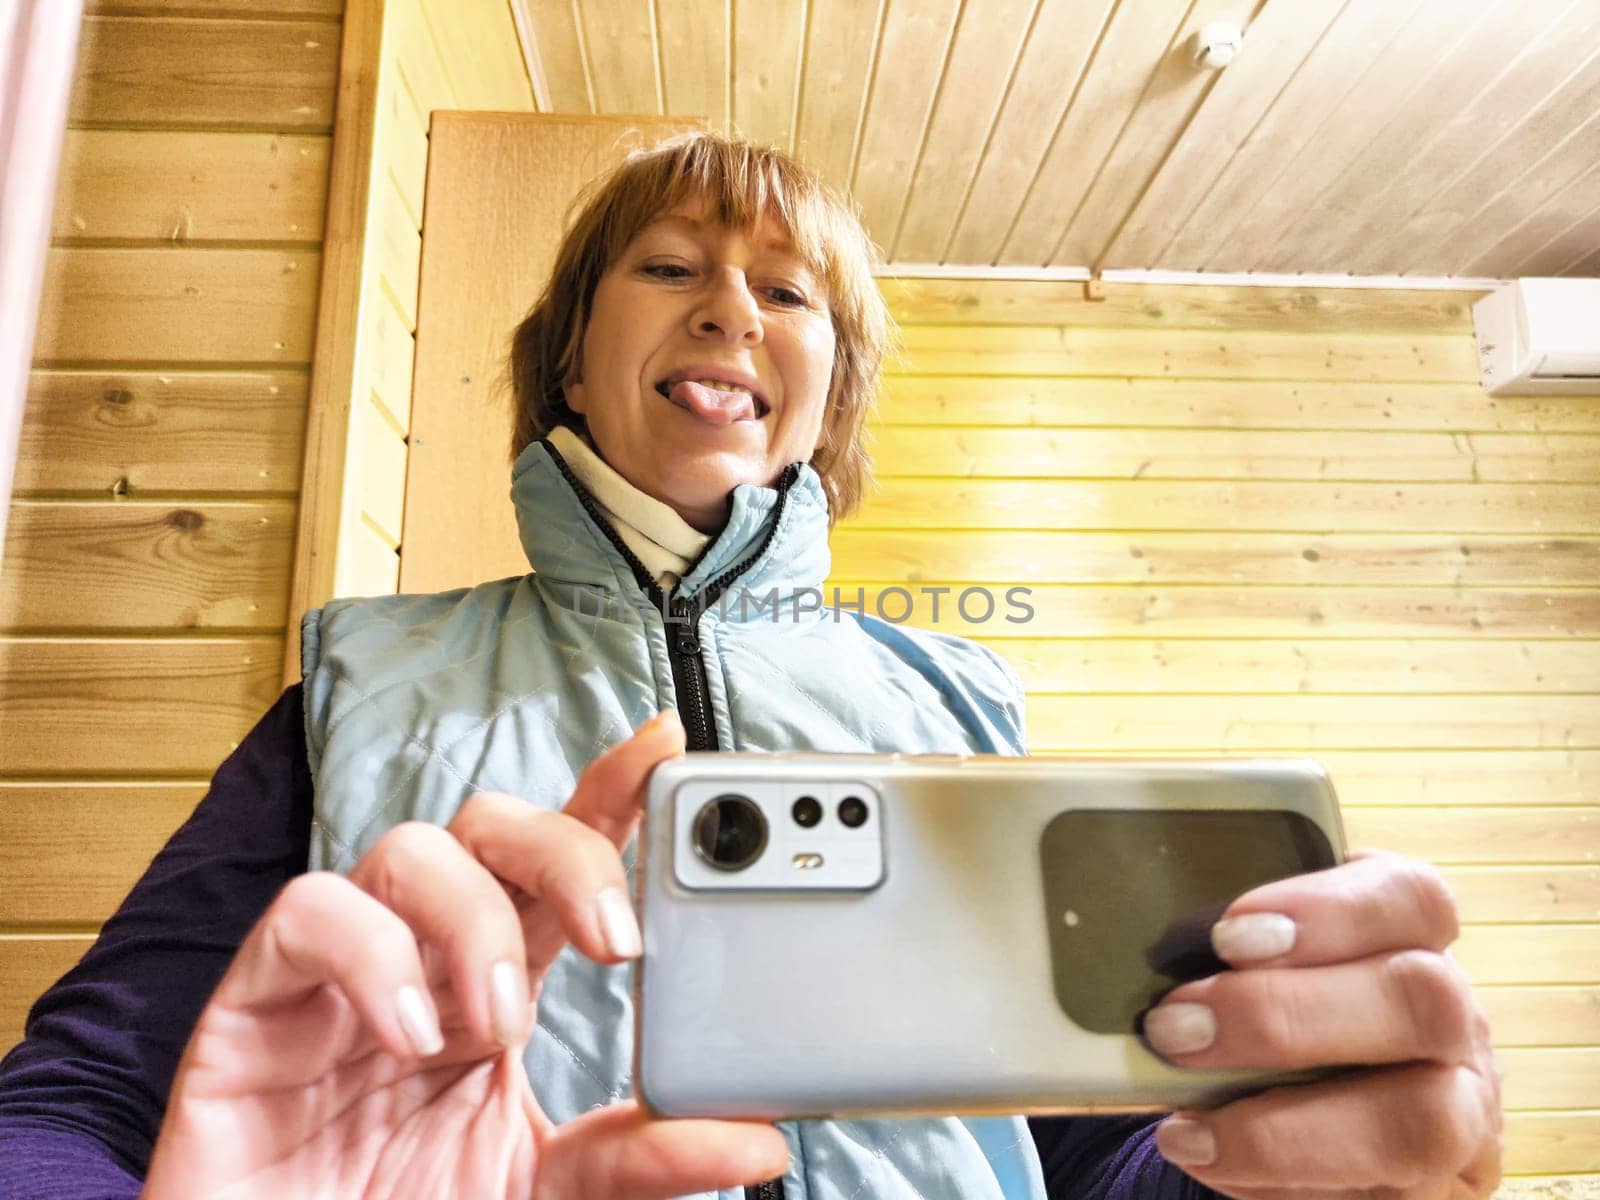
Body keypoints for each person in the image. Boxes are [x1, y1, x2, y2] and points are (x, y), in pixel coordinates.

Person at [0, 132, 1501, 1200]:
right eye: (670, 266)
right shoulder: (359, 681)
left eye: (791, 295)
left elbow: (1056, 1151)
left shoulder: (960, 701)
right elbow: (75, 1105)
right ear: (570, 358)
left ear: (826, 399)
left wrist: (1277, 1171)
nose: (731, 305)